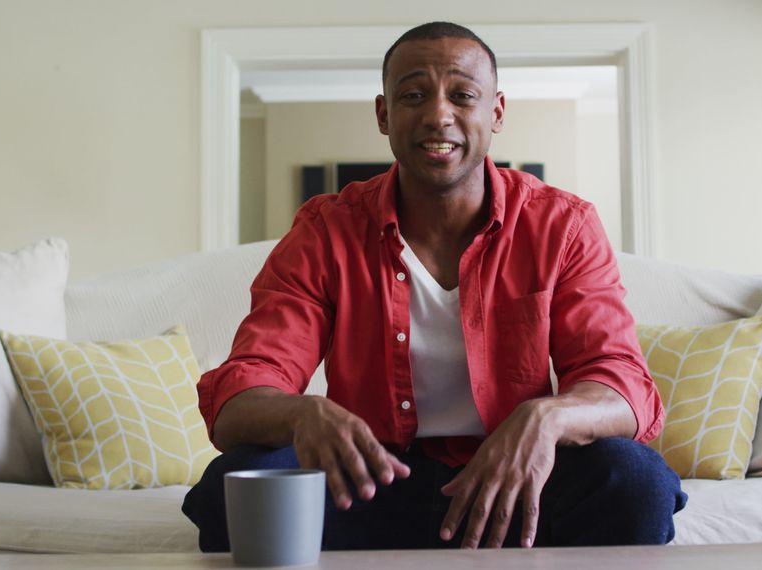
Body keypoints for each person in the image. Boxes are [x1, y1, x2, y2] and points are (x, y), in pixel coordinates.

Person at [182, 21, 686, 551]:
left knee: (636, 482)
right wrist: (304, 411)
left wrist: (546, 417)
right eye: (414, 95)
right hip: (370, 482)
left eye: (463, 95)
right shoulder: (327, 230)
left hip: (514, 481)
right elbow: (243, 389)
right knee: (231, 488)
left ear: (496, 111)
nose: (438, 114)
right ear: (384, 114)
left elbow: (623, 386)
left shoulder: (563, 225)